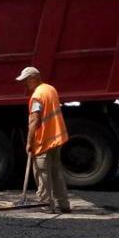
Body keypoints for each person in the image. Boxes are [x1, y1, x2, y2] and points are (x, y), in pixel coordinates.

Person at [16, 66, 71, 214]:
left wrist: (29, 142)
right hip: (56, 138)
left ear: (33, 79)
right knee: (56, 172)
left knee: (42, 173)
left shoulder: (37, 97)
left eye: (26, 81)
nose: (24, 84)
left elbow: (34, 121)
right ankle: (63, 203)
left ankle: (46, 204)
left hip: (43, 141)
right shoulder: (50, 89)